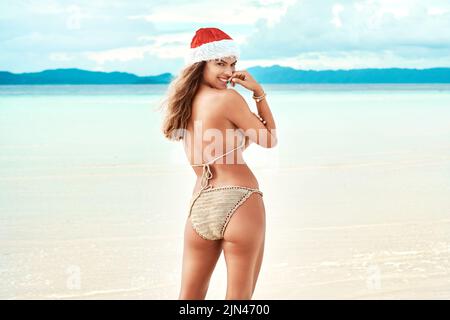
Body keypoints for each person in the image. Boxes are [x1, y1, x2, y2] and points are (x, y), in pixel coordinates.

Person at [160, 27, 277, 300]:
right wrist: (259, 93)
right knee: (239, 301)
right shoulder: (229, 99)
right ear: (200, 64)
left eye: (233, 63)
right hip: (240, 200)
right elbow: (269, 139)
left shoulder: (183, 104)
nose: (228, 71)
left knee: (189, 300)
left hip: (200, 204)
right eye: (220, 63)